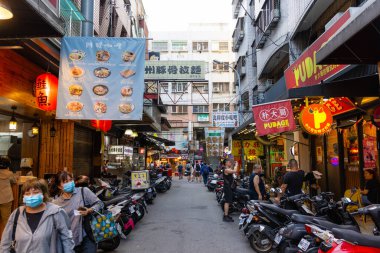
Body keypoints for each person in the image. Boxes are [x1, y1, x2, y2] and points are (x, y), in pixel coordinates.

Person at [1, 178, 74, 252]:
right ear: (23, 196)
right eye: (27, 194)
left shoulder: (56, 212)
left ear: (44, 194)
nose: (31, 196)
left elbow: (67, 240)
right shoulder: (17, 214)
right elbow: (5, 242)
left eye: (35, 192)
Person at [52, 171, 104, 253]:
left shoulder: (83, 191)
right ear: (59, 186)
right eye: (66, 182)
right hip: (68, 240)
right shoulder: (56, 202)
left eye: (71, 180)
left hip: (86, 235)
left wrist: (89, 210)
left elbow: (100, 204)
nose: (70, 183)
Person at [0, 157, 16, 236]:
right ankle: (6, 238)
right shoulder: (9, 174)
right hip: (6, 199)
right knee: (6, 220)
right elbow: (14, 181)